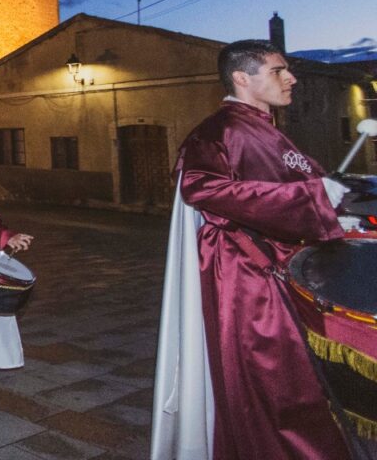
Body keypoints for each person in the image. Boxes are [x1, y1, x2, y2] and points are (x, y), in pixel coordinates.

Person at [151, 39, 355, 460]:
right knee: (275, 382)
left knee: (304, 381)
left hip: (288, 267)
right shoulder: (217, 131)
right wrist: (313, 199)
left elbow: (305, 184)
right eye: (278, 71)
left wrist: (339, 202)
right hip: (249, 275)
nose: (292, 78)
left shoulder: (268, 129)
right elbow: (201, 187)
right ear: (242, 78)